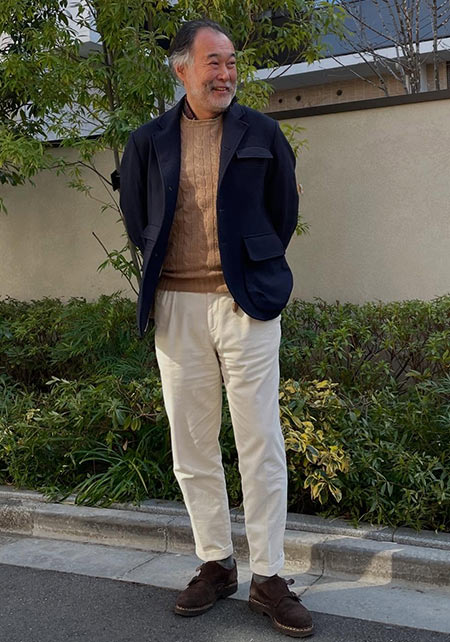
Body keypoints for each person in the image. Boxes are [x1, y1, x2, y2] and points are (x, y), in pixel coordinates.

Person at [119, 18, 313, 638]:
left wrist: (252, 269)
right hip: (176, 306)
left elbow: (283, 211)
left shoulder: (263, 132)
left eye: (231, 62)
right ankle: (216, 563)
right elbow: (138, 219)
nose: (226, 74)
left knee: (261, 442)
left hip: (245, 305)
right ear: (182, 69)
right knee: (192, 446)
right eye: (214, 62)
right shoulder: (148, 140)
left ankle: (270, 577)